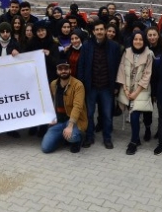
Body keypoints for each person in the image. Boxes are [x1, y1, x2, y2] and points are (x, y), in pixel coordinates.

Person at [77, 20, 122, 150]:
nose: (99, 32)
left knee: (107, 115)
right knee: (89, 114)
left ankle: (107, 138)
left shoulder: (114, 46)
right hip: (91, 87)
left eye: (102, 29)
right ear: (93, 31)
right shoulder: (86, 45)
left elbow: (119, 67)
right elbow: (82, 66)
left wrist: (116, 86)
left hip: (107, 87)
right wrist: (82, 85)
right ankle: (89, 137)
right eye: (97, 30)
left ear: (105, 30)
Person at [117, 31, 154, 156]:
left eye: (141, 39)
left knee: (134, 115)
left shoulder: (149, 54)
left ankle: (133, 142)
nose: (138, 41)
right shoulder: (126, 52)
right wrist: (126, 90)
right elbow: (121, 70)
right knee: (132, 115)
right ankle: (137, 137)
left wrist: (136, 92)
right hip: (127, 88)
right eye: (135, 39)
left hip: (141, 89)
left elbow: (147, 75)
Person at [41, 61, 88, 154]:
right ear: (57, 71)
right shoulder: (53, 84)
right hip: (58, 121)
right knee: (45, 148)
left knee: (72, 136)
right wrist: (50, 118)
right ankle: (63, 137)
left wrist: (70, 126)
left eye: (66, 68)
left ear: (70, 70)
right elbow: (50, 102)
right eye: (60, 69)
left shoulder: (78, 85)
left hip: (73, 121)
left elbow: (77, 106)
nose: (63, 71)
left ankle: (78, 139)